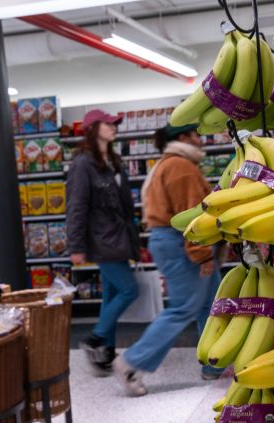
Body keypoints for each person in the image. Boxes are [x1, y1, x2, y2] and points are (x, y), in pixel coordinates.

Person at [113, 123, 221, 396]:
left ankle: (215, 364)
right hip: (180, 243)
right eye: (196, 134)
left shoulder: (168, 164)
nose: (201, 139)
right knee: (183, 308)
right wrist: (202, 254)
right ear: (183, 138)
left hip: (171, 241)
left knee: (210, 305)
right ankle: (131, 363)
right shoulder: (180, 167)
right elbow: (193, 215)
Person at [67, 109, 141, 376]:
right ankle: (95, 338)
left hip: (118, 237)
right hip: (102, 239)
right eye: (108, 124)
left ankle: (106, 352)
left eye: (115, 124)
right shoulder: (82, 164)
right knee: (129, 290)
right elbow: (76, 206)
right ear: (93, 128)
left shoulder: (113, 160)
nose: (114, 127)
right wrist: (75, 246)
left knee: (111, 293)